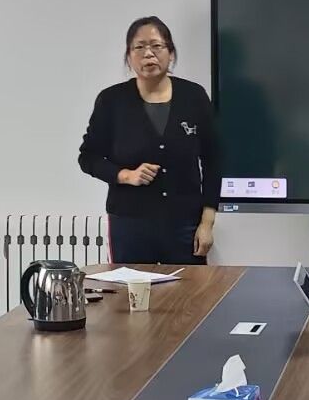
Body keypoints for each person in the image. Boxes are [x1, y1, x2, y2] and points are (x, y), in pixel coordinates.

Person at [77, 16, 221, 265]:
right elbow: (88, 157)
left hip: (185, 224)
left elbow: (214, 160)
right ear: (129, 56)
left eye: (156, 46)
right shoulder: (111, 101)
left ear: (171, 53)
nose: (148, 54)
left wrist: (207, 222)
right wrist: (125, 175)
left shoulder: (194, 97)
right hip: (130, 224)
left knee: (189, 288)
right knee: (130, 288)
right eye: (139, 47)